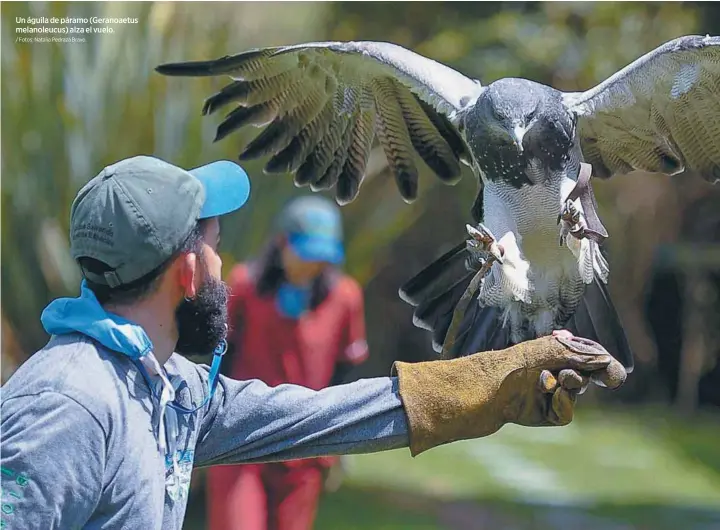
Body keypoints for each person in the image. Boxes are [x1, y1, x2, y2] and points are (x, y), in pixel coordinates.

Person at [0, 155, 627, 530]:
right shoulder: (70, 404)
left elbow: (317, 415)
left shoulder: (168, 388)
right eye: (215, 247)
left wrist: (493, 383)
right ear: (187, 274)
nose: (226, 264)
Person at [207, 195, 369, 530]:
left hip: (305, 443)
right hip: (241, 439)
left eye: (322, 258)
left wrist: (338, 443)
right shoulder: (244, 286)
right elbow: (220, 359)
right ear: (282, 243)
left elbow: (344, 372)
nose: (313, 266)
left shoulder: (344, 297)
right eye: (306, 255)